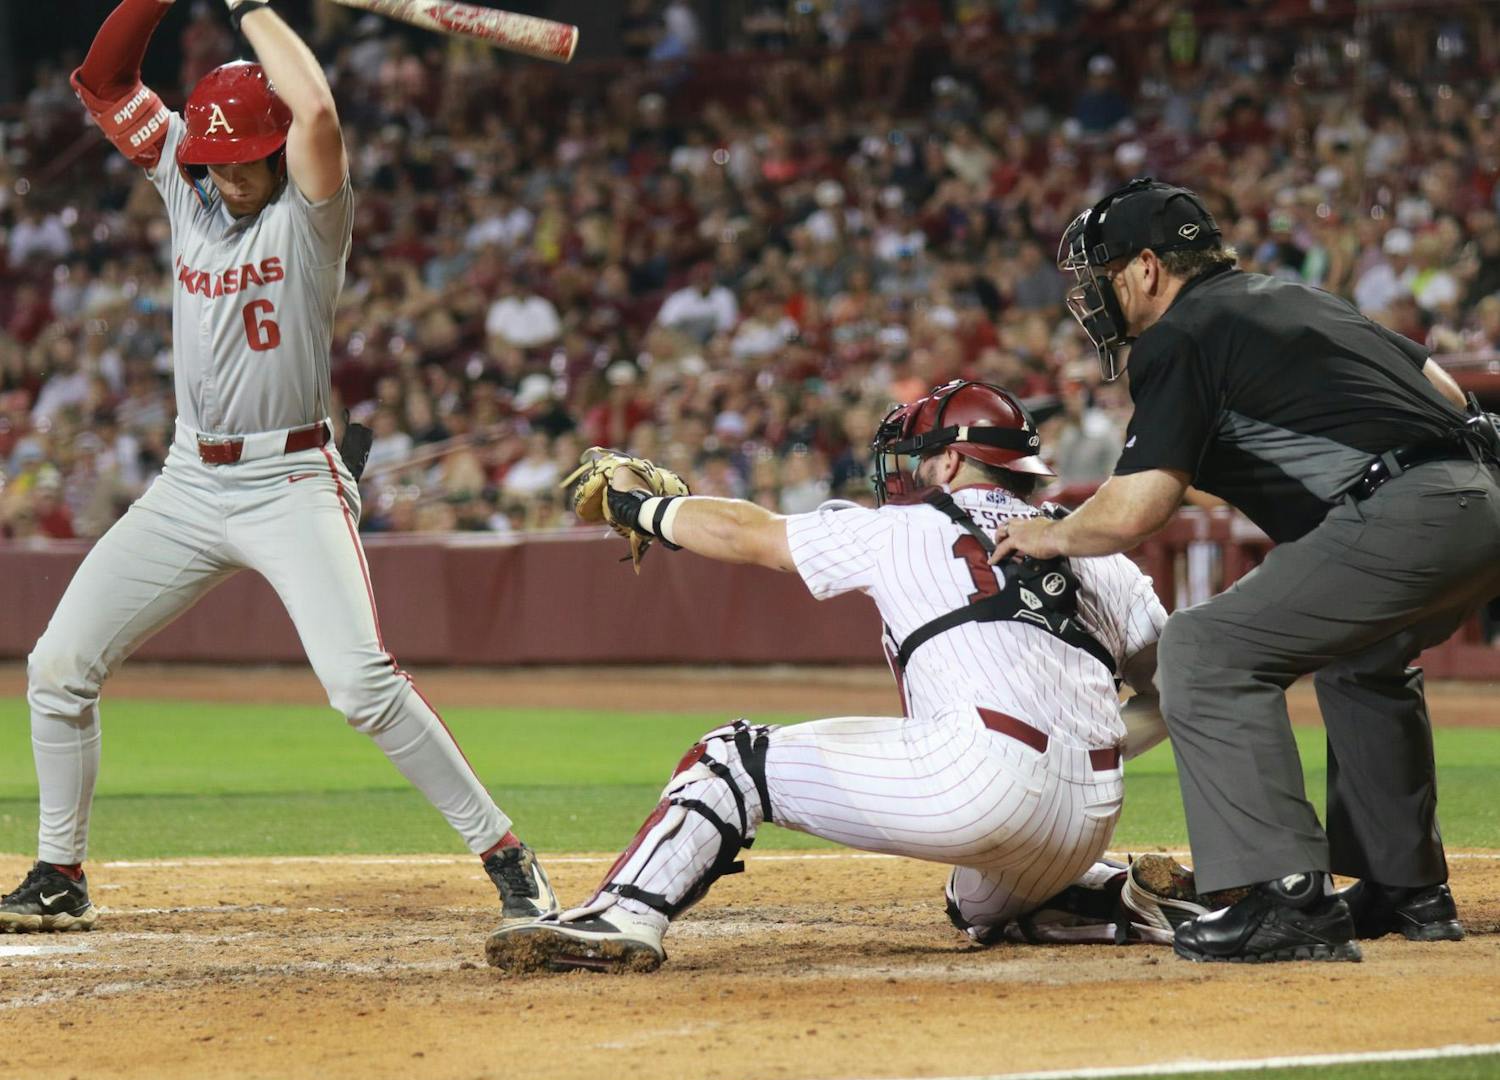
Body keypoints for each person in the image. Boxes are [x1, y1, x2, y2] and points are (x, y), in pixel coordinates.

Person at [0, 0, 556, 935]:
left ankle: (506, 853)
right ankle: (60, 872)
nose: (223, 178)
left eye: (241, 159)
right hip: (188, 481)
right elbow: (103, 83)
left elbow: (323, 117)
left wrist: (254, 7)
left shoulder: (312, 216)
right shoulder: (189, 182)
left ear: (273, 148)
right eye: (212, 163)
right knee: (57, 666)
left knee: (360, 686)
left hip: (292, 482)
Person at [486, 380, 1188, 973]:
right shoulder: (1097, 550)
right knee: (972, 902)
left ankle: (622, 915)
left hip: (975, 780)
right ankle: (1126, 895)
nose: (902, 473)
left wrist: (636, 506)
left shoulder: (908, 526)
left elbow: (746, 532)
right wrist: (1083, 747)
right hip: (1090, 813)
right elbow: (1176, 693)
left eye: (915, 457)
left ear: (949, 463)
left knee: (733, 758)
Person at [992, 177, 1500, 964]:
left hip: (1407, 511)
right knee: (1365, 657)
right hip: (1479, 495)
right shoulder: (1299, 298)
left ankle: (1282, 895)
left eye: (1107, 271)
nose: (1098, 292)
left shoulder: (1178, 334)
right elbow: (1441, 386)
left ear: (1151, 268)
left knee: (1202, 649)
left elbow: (1134, 510)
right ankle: (1407, 889)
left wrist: (1050, 534)